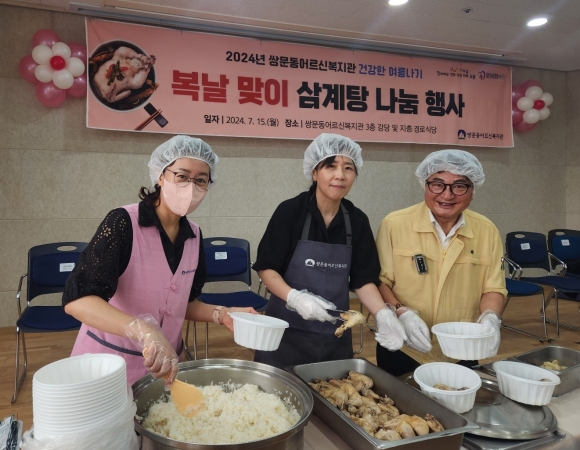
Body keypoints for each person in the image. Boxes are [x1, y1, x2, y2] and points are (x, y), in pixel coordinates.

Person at [63, 135, 256, 386]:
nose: (191, 187)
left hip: (165, 366)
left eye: (201, 180)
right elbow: (78, 301)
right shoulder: (123, 223)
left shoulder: (194, 235)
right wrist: (144, 330)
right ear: (161, 176)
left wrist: (221, 314)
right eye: (182, 176)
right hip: (107, 365)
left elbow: (181, 304)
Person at [252, 133, 407, 370]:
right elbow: (267, 268)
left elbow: (363, 280)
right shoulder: (290, 211)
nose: (340, 175)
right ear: (314, 173)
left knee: (331, 395)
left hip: (334, 331)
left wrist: (382, 314)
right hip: (284, 330)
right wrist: (296, 298)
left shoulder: (356, 220)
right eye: (331, 166)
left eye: (348, 168)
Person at [375, 149, 507, 376]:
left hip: (461, 349)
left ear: (472, 190)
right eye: (437, 184)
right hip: (403, 346)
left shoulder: (487, 231)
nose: (447, 195)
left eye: (459, 186)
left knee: (457, 408)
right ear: (425, 185)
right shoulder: (394, 224)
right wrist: (401, 313)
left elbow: (494, 288)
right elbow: (380, 281)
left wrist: (491, 319)